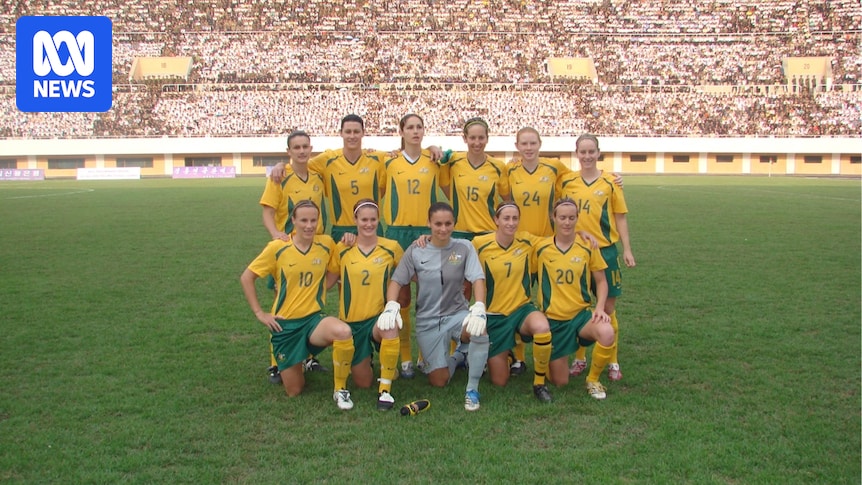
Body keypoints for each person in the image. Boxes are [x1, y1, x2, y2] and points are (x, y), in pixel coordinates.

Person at [240, 200, 356, 410]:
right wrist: (260, 313)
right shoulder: (277, 247)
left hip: (313, 321)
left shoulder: (326, 244)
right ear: (293, 220)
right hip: (285, 326)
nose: (309, 225)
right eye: (303, 220)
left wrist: (348, 239)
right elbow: (247, 277)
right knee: (295, 391)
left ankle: (340, 389)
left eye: (313, 220)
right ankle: (298, 359)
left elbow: (333, 271)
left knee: (343, 331)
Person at [378, 202, 490, 411]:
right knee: (439, 381)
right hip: (428, 321)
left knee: (479, 328)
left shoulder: (464, 247)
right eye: (438, 223)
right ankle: (459, 356)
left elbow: (477, 278)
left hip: (457, 314)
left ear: (454, 224)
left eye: (448, 223)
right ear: (428, 223)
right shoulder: (417, 249)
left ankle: (472, 390)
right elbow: (397, 280)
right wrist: (391, 305)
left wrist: (480, 307)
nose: (443, 229)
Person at [557, 134, 636, 382]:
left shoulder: (610, 182)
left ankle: (612, 360)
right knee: (581, 304)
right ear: (576, 153)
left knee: (608, 308)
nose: (587, 156)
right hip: (577, 251)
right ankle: (580, 358)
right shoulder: (567, 181)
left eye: (592, 151)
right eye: (583, 151)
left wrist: (626, 249)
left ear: (598, 153)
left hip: (605, 249)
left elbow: (620, 215)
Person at [259, 131, 328, 384]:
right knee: (283, 304)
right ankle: (277, 362)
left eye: (305, 146)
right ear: (288, 152)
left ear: (311, 149)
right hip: (289, 248)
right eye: (296, 147)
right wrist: (276, 234)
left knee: (312, 301)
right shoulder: (280, 176)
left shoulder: (318, 174)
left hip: (315, 248)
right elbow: (267, 211)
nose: (301, 151)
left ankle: (308, 357)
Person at [380, 114, 445, 379]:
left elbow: (456, 158)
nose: (415, 131)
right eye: (410, 127)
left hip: (427, 234)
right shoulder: (389, 161)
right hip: (397, 233)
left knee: (429, 297)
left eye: (419, 127)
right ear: (402, 131)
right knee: (402, 298)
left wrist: (437, 149)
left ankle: (424, 355)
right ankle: (405, 357)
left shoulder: (435, 161)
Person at [471, 201, 553, 402]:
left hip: (521, 310)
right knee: (500, 381)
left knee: (542, 326)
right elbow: (451, 247)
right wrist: (426, 237)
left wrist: (583, 234)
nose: (511, 223)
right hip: (494, 316)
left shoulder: (527, 241)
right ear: (496, 220)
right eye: (506, 218)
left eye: (515, 218)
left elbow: (557, 240)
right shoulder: (479, 244)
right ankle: (507, 354)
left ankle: (539, 383)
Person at [326, 199, 404, 410]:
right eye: (363, 220)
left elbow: (409, 271)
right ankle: (370, 359)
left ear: (379, 220)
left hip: (378, 318)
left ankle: (385, 391)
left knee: (391, 325)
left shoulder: (391, 248)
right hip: (352, 322)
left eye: (372, 219)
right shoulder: (342, 248)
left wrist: (424, 241)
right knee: (363, 382)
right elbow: (329, 281)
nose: (368, 224)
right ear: (355, 220)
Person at [535, 198, 615, 400]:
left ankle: (593, 380)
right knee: (560, 381)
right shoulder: (540, 247)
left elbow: (602, 282)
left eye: (572, 218)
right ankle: (548, 363)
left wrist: (599, 308)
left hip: (581, 316)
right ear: (553, 218)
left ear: (577, 218)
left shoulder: (588, 246)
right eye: (562, 217)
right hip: (554, 320)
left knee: (606, 331)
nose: (567, 222)